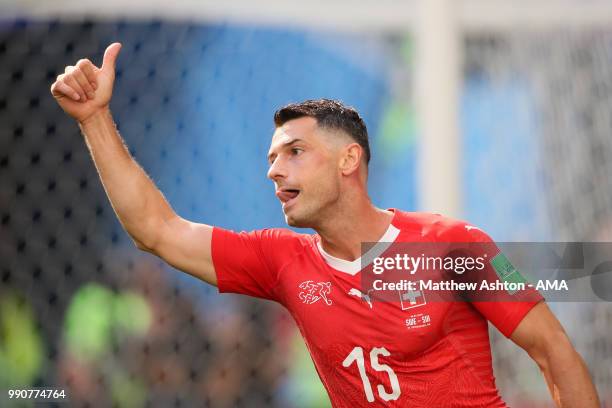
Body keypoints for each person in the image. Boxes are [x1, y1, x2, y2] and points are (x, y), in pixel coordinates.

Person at [50, 42, 600, 407]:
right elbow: (156, 230)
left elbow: (555, 353)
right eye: (271, 158)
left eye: (294, 152)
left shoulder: (451, 247)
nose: (273, 169)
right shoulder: (284, 263)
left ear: (348, 160)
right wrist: (95, 119)